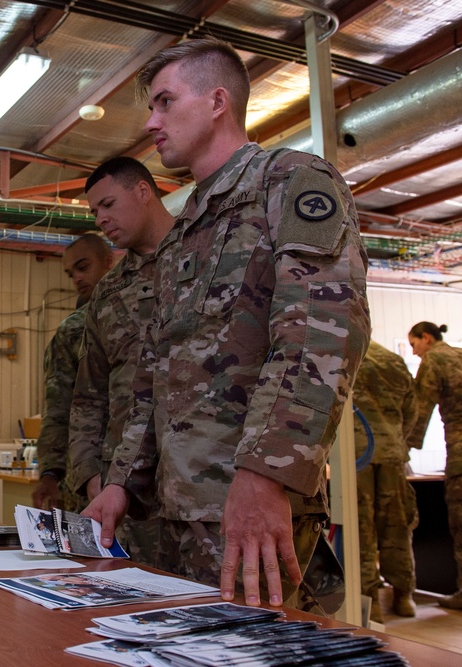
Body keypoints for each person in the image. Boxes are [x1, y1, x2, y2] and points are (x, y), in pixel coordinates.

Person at [83, 37, 370, 611]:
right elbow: (153, 376)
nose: (151, 121)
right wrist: (119, 483)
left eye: (164, 102)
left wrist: (266, 475)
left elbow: (322, 334)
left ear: (218, 101)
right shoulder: (187, 227)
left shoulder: (288, 181)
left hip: (248, 507)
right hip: (172, 510)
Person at [64, 157, 175, 554]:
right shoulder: (109, 294)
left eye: (108, 205)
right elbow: (88, 397)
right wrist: (90, 473)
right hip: (127, 497)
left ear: (143, 191)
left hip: (204, 486)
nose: (101, 219)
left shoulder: (203, 260)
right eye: (95, 211)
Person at [33, 234, 114, 511]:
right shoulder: (73, 331)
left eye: (83, 267)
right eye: (71, 273)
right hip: (87, 470)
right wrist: (50, 472)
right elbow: (58, 407)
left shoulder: (152, 313)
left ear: (108, 262)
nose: (77, 279)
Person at [353, 340, 418, 623]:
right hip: (392, 452)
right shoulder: (393, 359)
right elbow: (411, 408)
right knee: (397, 527)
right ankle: (403, 595)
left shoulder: (347, 352)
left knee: (360, 529)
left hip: (356, 454)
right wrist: (397, 439)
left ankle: (370, 600)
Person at [406, 321, 462, 609]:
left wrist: (404, 448)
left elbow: (420, 408)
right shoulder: (460, 354)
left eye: (415, 345)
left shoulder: (434, 359)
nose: (415, 353)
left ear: (426, 338)